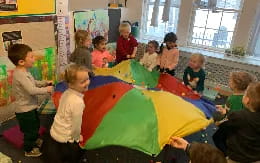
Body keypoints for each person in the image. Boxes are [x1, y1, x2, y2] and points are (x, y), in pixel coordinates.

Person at [8, 44, 53, 157]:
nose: (34, 59)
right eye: (32, 57)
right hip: (24, 110)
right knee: (30, 130)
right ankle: (28, 149)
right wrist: (46, 89)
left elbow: (33, 83)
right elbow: (32, 90)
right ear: (21, 62)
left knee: (35, 124)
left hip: (30, 106)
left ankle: (35, 140)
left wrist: (44, 82)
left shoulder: (25, 71)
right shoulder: (20, 75)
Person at [44, 64, 90, 163]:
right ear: (71, 84)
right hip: (66, 139)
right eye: (83, 82)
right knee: (76, 152)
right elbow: (76, 125)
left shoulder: (66, 92)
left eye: (87, 79)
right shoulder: (77, 102)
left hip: (55, 131)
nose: (87, 83)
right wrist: (77, 137)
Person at [214, 82, 260, 163]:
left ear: (247, 100)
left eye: (245, 93)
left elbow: (224, 126)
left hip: (236, 157)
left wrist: (224, 115)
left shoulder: (239, 115)